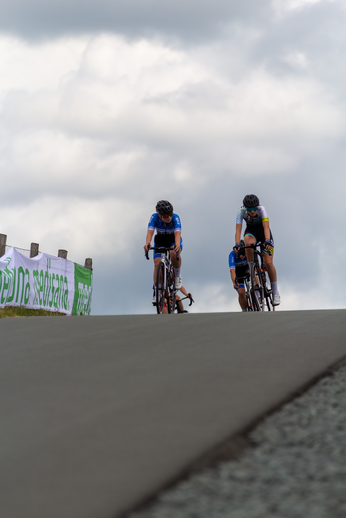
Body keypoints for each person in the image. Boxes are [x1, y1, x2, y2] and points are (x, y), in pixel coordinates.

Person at [233, 194, 280, 306]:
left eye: (254, 209)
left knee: (268, 263)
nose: (253, 212)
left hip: (263, 234)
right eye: (250, 210)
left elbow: (266, 227)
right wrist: (237, 244)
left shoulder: (261, 209)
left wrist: (267, 240)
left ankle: (275, 292)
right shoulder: (241, 211)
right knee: (248, 243)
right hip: (251, 232)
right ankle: (252, 269)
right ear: (245, 208)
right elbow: (238, 230)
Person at [144, 200, 183, 304]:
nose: (169, 217)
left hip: (173, 240)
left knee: (173, 253)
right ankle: (157, 293)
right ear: (159, 215)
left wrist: (177, 245)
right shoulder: (154, 217)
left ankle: (177, 276)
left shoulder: (175, 218)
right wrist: (148, 243)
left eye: (170, 214)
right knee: (157, 264)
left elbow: (177, 234)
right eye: (166, 215)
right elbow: (150, 232)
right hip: (160, 240)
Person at [229, 240, 249, 312]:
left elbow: (255, 267)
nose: (242, 257)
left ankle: (257, 293)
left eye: (244, 255)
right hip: (238, 273)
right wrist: (234, 282)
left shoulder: (248, 251)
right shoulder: (232, 255)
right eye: (240, 255)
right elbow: (232, 271)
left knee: (253, 274)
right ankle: (244, 311)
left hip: (247, 269)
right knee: (241, 293)